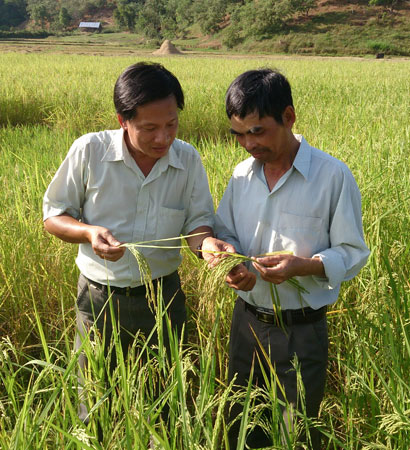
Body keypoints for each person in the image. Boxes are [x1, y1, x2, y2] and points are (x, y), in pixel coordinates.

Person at [202, 68, 370, 449]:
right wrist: (230, 263)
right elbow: (225, 233)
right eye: (239, 134)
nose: (248, 144)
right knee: (241, 427)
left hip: (301, 330)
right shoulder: (242, 175)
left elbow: (353, 253)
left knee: (294, 433)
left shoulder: (332, 177)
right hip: (245, 324)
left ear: (289, 117)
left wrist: (305, 265)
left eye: (257, 131)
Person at [43, 62, 215, 425]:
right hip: (99, 302)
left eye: (171, 125)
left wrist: (207, 246)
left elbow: (197, 224)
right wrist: (89, 233)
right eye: (149, 128)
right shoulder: (89, 151)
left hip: (164, 300)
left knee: (166, 405)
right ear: (123, 120)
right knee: (95, 403)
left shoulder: (187, 159)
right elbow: (54, 216)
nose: (162, 139)